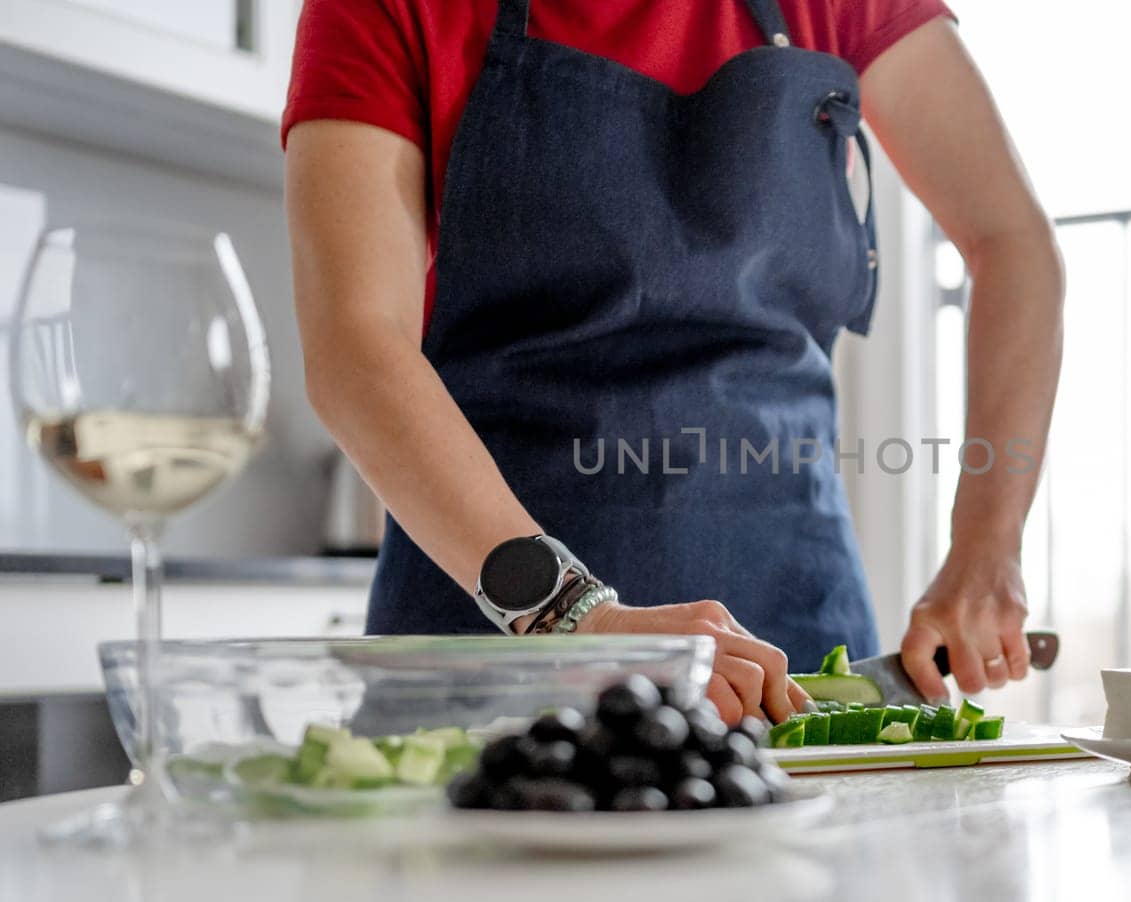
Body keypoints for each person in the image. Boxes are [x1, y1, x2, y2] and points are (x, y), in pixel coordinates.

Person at [283, 0, 1063, 725]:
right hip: (497, 653)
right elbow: (355, 341)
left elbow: (1013, 244)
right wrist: (571, 614)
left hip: (793, 645)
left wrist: (987, 548)